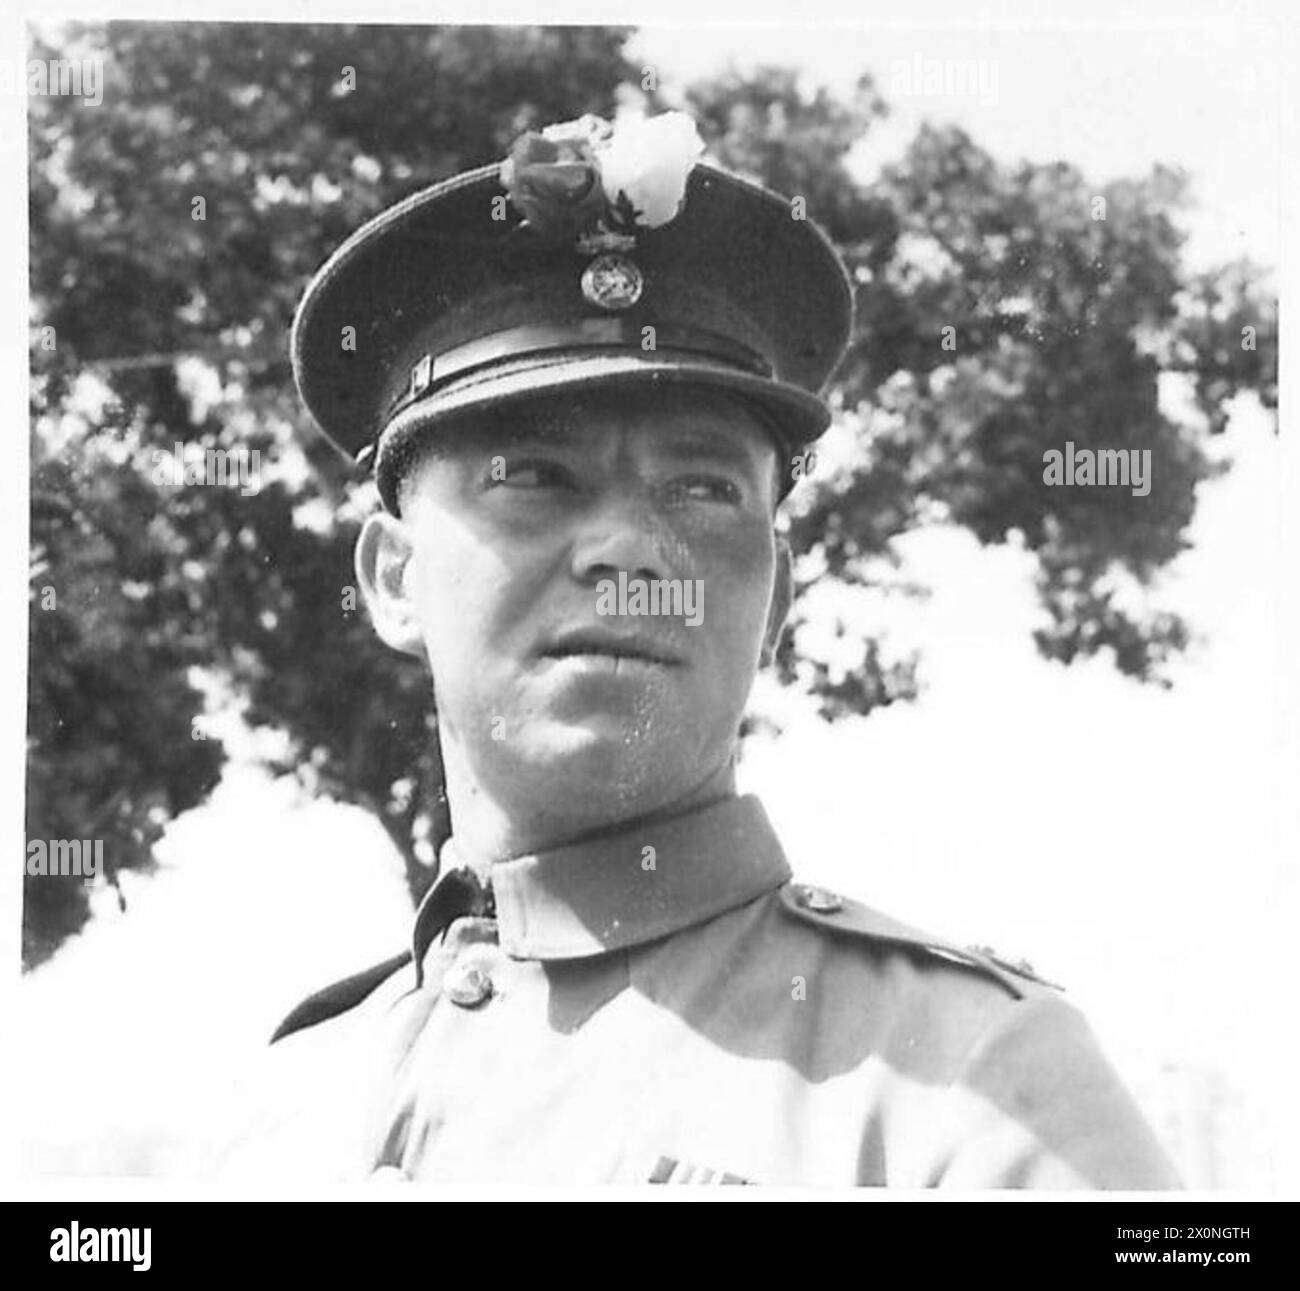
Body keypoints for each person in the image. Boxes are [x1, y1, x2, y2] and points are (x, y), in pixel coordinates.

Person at [230, 111, 1179, 1187]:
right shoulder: (288, 1102)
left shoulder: (966, 1078)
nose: (632, 549)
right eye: (534, 476)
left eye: (702, 488)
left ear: (772, 597)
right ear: (394, 581)